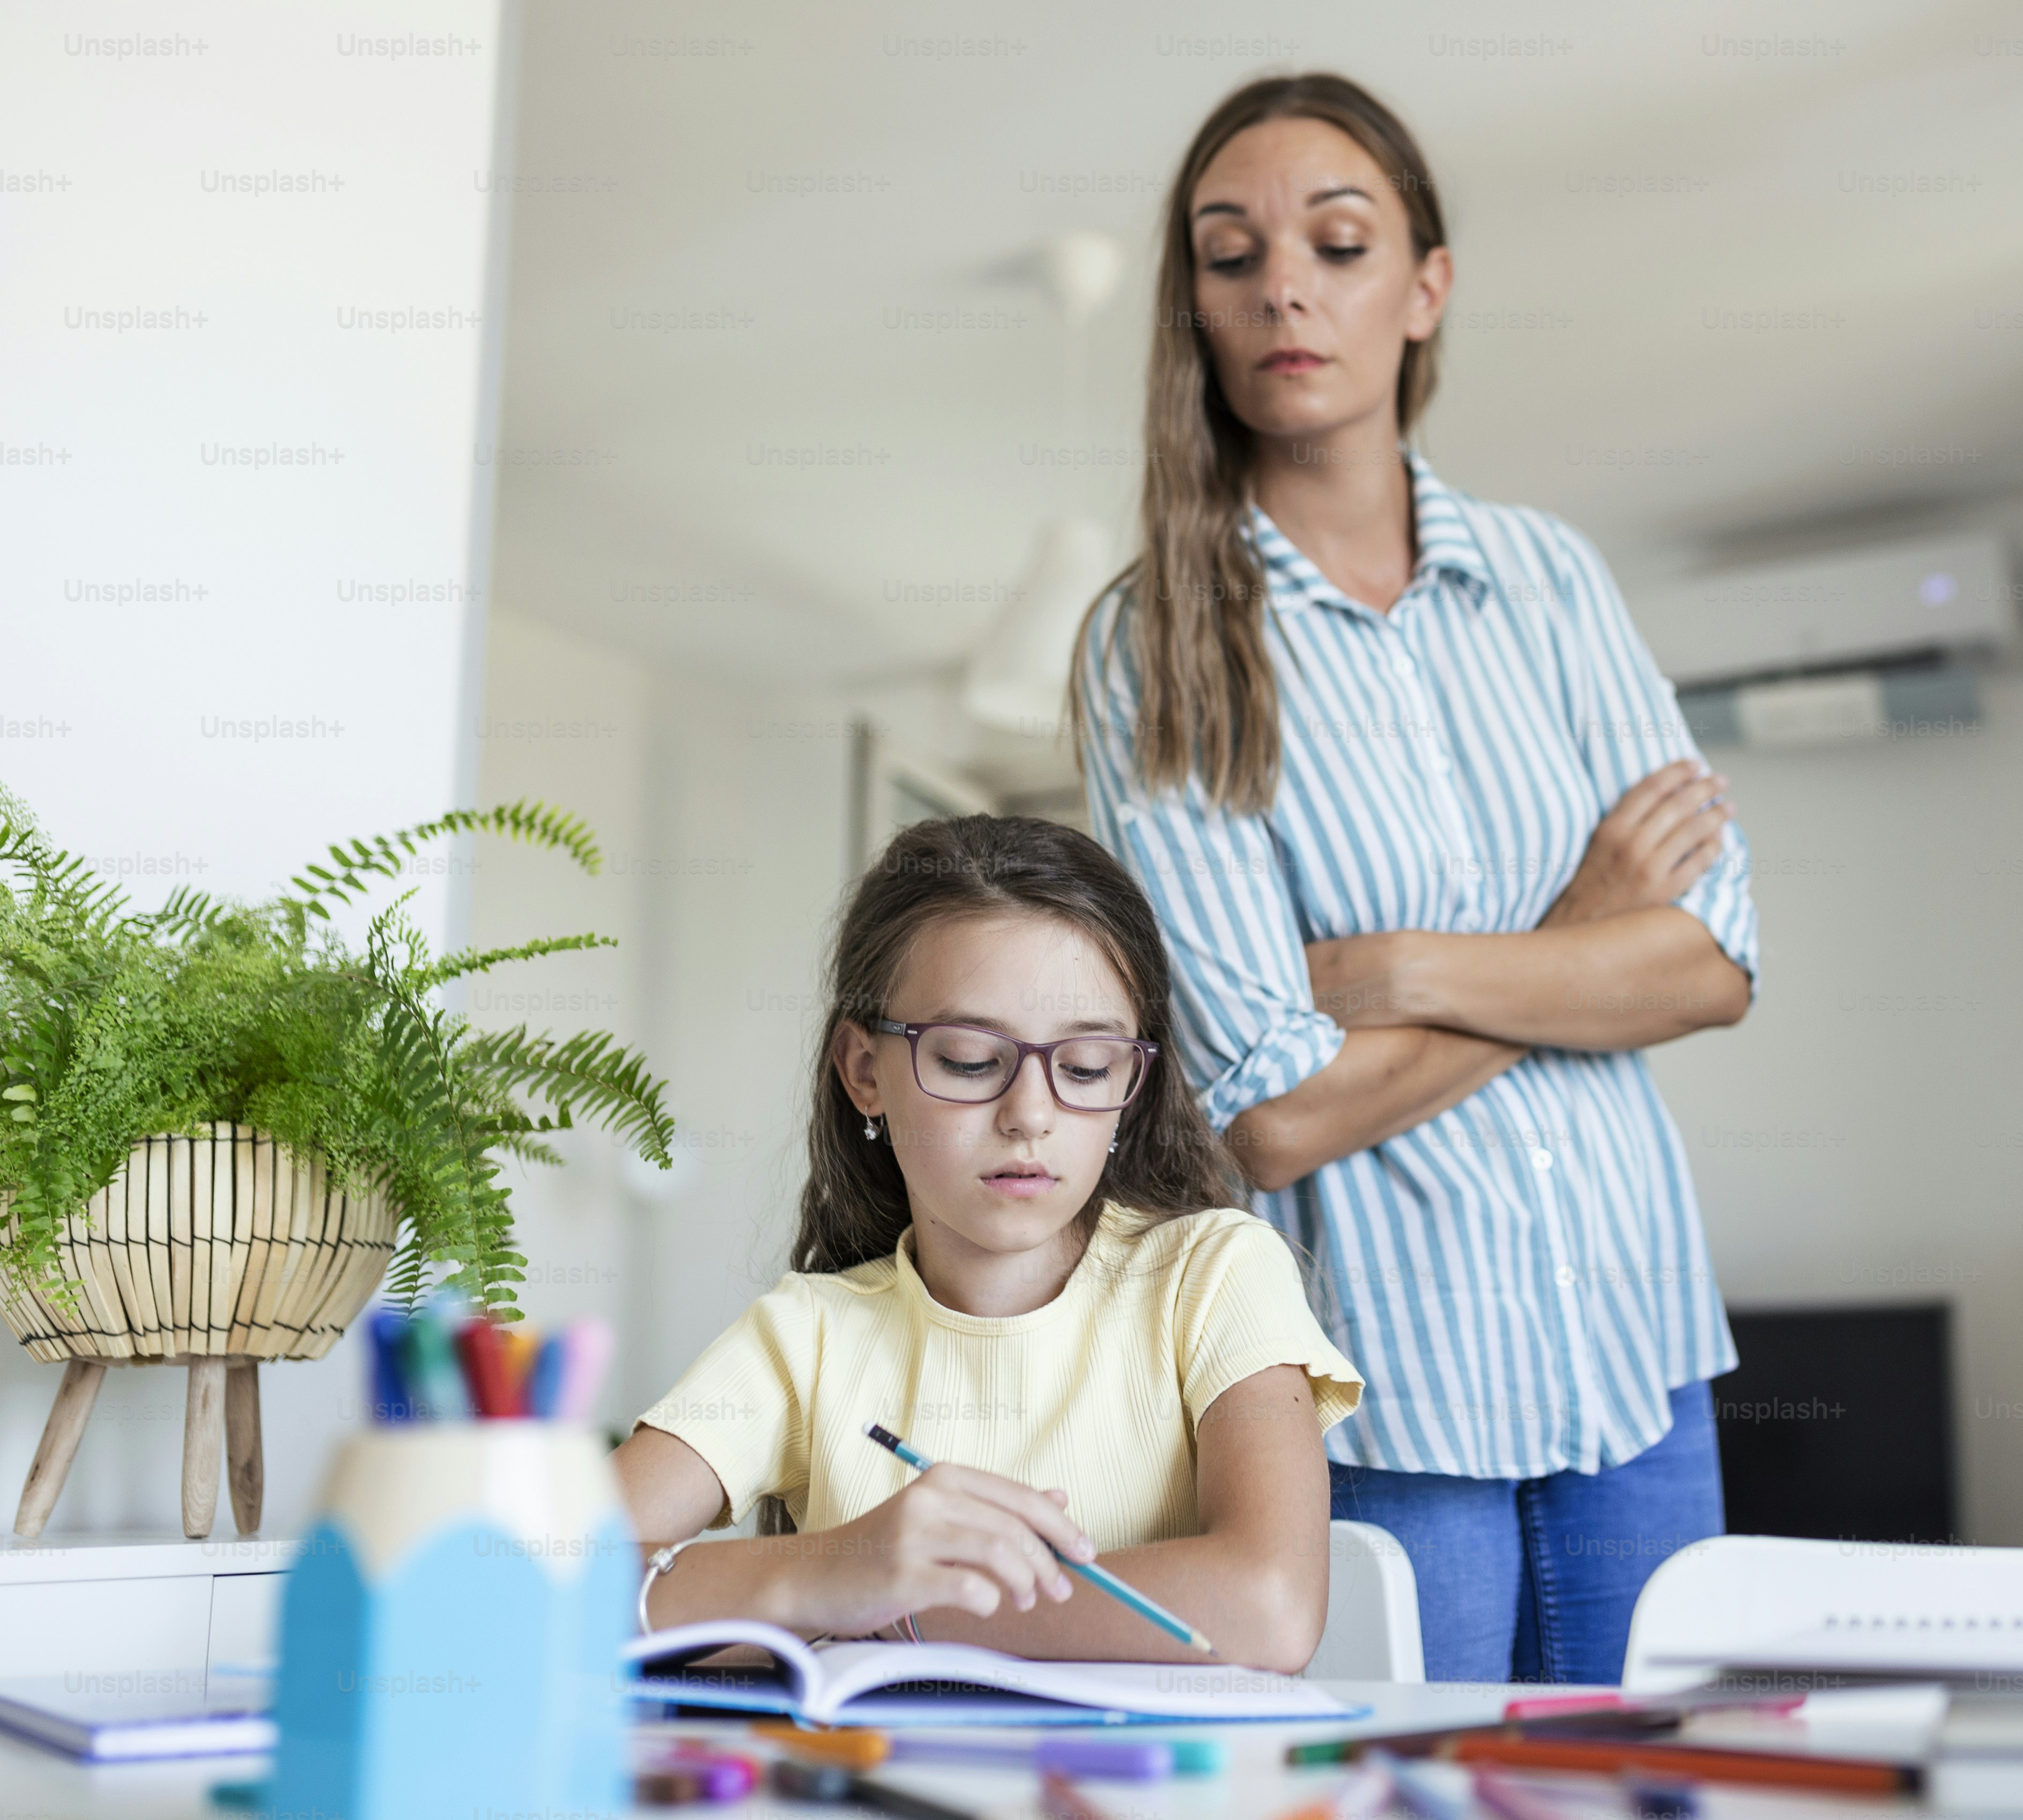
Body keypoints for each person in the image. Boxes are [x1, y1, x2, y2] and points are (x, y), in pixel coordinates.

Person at [1072, 73, 1759, 1684]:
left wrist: (1396, 969)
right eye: (1229, 255)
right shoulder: (1154, 644)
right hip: (1383, 1396)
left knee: (1659, 1796)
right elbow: (1271, 1115)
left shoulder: (1550, 579)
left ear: (1424, 287)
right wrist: (1581, 942)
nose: (1284, 286)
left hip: (1639, 1361)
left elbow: (1709, 962)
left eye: (1338, 240)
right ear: (1195, 306)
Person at [613, 815, 1364, 1673]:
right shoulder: (807, 1337)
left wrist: (898, 1610)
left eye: (1085, 1067)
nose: (1031, 1115)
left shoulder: (1215, 1274)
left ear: (1132, 1083)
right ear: (864, 1072)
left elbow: (1266, 1607)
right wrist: (834, 1569)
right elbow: (534, 1581)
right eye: (970, 1060)